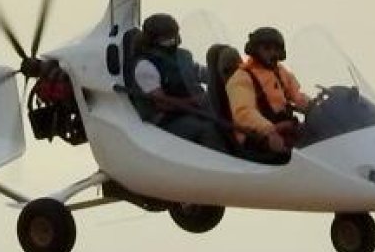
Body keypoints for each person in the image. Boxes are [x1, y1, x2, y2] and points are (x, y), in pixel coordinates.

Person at [129, 13, 227, 152]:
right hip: (166, 119)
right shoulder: (145, 65)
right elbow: (162, 103)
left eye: (173, 35)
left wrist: (225, 76)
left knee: (227, 116)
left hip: (195, 110)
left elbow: (199, 72)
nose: (171, 40)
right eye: (166, 38)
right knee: (207, 129)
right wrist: (195, 101)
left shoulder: (182, 55)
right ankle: (219, 165)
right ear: (152, 39)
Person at [225, 26, 309, 155]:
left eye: (276, 49)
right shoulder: (242, 78)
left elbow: (296, 95)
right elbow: (244, 113)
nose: (273, 53)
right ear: (255, 50)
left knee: (318, 134)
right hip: (256, 136)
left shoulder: (279, 71)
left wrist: (313, 106)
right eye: (267, 49)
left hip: (282, 127)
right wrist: (270, 130)